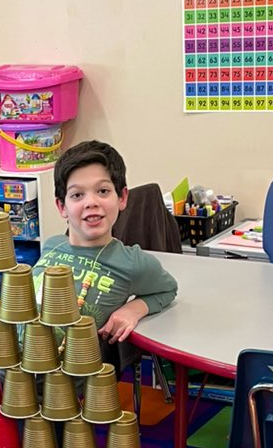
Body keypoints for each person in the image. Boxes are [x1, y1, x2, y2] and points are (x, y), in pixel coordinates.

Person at [32, 140, 178, 344]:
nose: (91, 202)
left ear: (122, 197)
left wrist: (133, 310)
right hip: (6, 364)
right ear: (61, 206)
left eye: (102, 191)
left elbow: (168, 289)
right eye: (77, 195)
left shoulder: (131, 262)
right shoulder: (52, 244)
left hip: (70, 373)